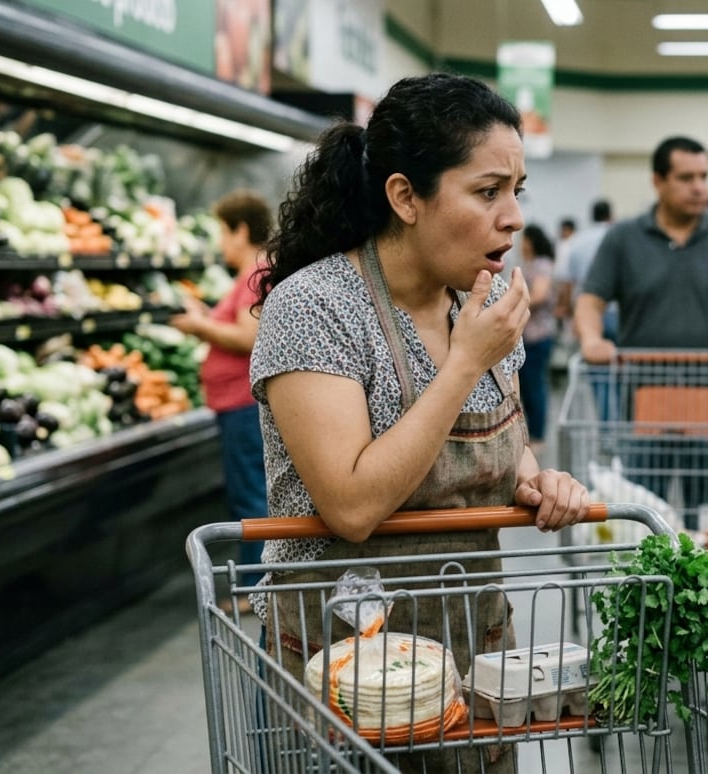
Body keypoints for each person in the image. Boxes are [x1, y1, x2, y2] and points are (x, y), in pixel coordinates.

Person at [247, 73, 588, 771]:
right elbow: (350, 504)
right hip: (338, 660)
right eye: (488, 191)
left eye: (516, 191)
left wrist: (535, 479)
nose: (514, 217)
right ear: (406, 196)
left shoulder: (482, 305)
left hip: (471, 646)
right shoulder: (314, 308)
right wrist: (465, 362)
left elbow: (504, 438)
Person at [574, 135, 708, 522]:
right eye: (686, 177)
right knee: (642, 517)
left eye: (703, 176)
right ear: (658, 182)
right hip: (644, 406)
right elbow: (590, 299)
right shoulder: (624, 238)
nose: (699, 187)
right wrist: (592, 339)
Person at [169, 189, 270, 611]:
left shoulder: (256, 271)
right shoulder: (250, 272)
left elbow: (248, 337)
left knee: (251, 497)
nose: (220, 243)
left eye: (223, 233)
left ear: (241, 230)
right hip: (234, 404)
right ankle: (256, 585)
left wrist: (198, 327)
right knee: (250, 493)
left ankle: (253, 589)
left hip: (243, 405)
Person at [517, 223, 557, 454]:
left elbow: (540, 294)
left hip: (537, 335)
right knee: (526, 386)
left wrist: (513, 302)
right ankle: (530, 433)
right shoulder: (530, 264)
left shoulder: (541, 265)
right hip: (526, 336)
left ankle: (539, 435)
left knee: (534, 387)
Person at [557, 199, 616, 339]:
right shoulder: (617, 238)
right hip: (615, 310)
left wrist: (566, 308)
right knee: (616, 358)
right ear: (610, 215)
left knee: (587, 357)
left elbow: (568, 283)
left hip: (585, 311)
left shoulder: (577, 240)